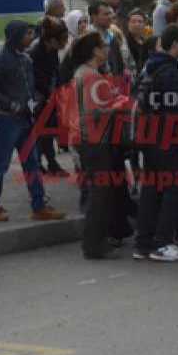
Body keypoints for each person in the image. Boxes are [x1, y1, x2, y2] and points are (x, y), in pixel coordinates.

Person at [0, 20, 66, 222]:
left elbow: (31, 87)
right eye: (27, 34)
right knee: (0, 164)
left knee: (32, 163)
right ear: (15, 36)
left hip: (26, 120)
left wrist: (34, 102)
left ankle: (39, 205)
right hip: (7, 120)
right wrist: (11, 104)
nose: (31, 37)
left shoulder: (26, 59)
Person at [68, 32, 132, 260]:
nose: (107, 49)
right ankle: (94, 244)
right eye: (103, 45)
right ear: (95, 50)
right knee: (99, 194)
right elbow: (94, 112)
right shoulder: (89, 76)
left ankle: (99, 240)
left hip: (89, 140)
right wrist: (118, 104)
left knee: (101, 192)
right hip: (93, 142)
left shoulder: (87, 74)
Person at [134, 25, 178, 262]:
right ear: (175, 44)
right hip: (165, 138)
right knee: (175, 186)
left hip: (149, 136)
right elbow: (174, 112)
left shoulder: (150, 66)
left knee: (151, 189)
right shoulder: (168, 71)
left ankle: (143, 243)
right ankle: (163, 243)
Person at [28, 17, 71, 177]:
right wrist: (48, 96)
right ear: (52, 40)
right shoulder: (35, 53)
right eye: (63, 39)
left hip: (49, 96)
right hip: (37, 99)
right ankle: (37, 164)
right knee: (38, 132)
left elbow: (55, 73)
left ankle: (51, 163)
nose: (65, 43)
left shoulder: (52, 51)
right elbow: (35, 80)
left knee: (48, 132)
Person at [88, 0, 135, 87]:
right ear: (94, 17)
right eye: (106, 14)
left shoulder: (112, 36)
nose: (110, 17)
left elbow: (120, 63)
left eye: (110, 14)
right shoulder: (88, 39)